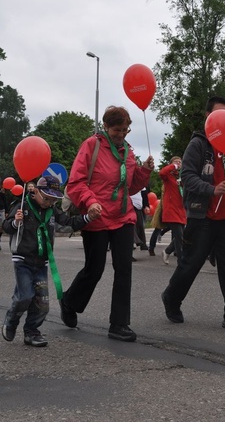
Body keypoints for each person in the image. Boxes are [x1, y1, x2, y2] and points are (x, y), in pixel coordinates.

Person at [59, 106, 154, 343]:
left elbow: (129, 187)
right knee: (95, 268)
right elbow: (75, 182)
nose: (121, 134)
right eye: (117, 130)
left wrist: (144, 172)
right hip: (97, 216)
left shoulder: (128, 152)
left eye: (125, 130)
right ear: (106, 127)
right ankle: (69, 302)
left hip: (123, 217)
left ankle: (119, 324)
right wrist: (90, 203)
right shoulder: (91, 146)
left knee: (124, 269)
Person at [162, 96, 225, 332]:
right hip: (201, 217)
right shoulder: (198, 144)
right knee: (190, 264)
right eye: (220, 114)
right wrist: (212, 189)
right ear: (208, 118)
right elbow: (188, 177)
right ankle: (172, 299)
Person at [1, 176, 98, 347]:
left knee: (43, 303)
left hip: (42, 262)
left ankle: (31, 331)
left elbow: (67, 224)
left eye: (53, 200)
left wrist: (88, 218)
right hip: (22, 259)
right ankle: (12, 319)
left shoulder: (52, 210)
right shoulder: (22, 205)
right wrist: (16, 222)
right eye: (46, 198)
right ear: (36, 191)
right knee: (25, 296)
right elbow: (6, 227)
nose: (48, 203)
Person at [159, 157, 186, 265]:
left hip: (181, 210)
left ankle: (167, 251)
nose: (178, 163)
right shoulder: (168, 176)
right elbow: (162, 173)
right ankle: (181, 262)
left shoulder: (181, 177)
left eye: (180, 162)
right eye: (176, 162)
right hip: (171, 210)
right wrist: (173, 166)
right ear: (171, 164)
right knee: (180, 238)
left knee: (182, 236)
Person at [0, 184, 8, 251]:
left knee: (2, 226)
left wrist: (6, 211)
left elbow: (5, 202)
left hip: (1, 210)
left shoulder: (2, 193)